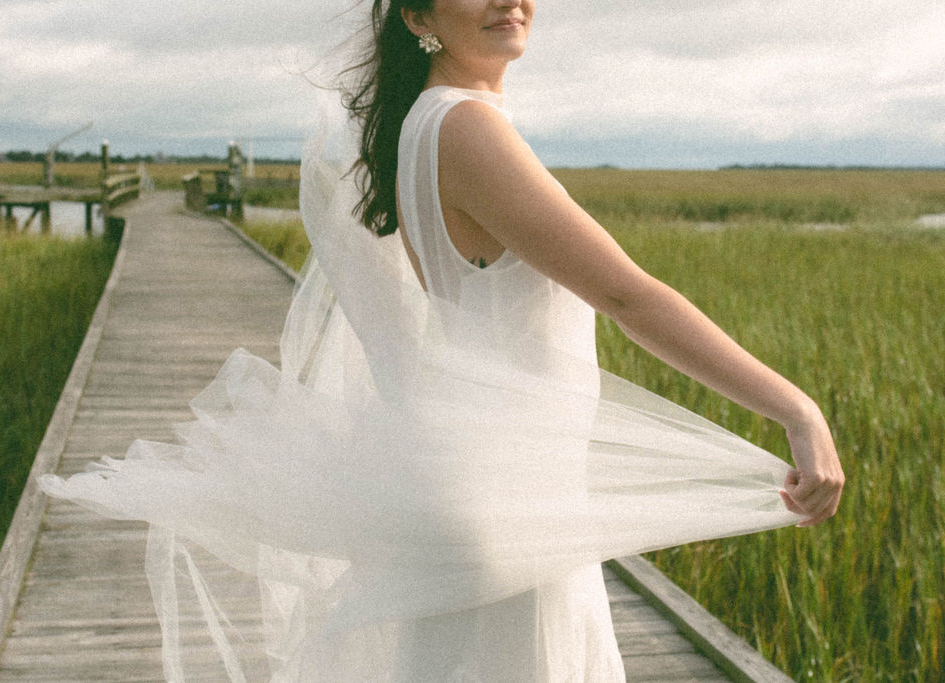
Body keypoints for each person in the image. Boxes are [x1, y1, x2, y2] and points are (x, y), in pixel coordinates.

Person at [41, 0, 844, 680]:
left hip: (497, 489)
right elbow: (628, 294)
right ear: (419, 16)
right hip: (508, 495)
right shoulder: (463, 127)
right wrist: (797, 408)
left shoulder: (425, 122)